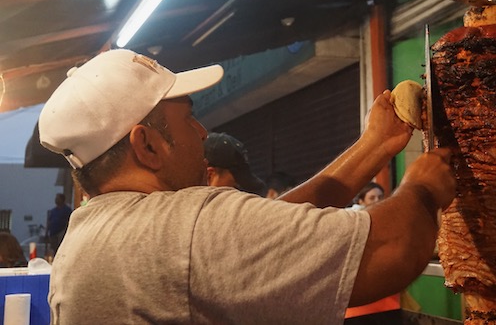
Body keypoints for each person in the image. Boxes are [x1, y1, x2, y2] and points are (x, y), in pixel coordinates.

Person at [38, 48, 455, 324]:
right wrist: (422, 186)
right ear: (146, 145)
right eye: (188, 119)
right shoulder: (183, 227)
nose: (202, 133)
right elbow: (391, 250)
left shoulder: (84, 236)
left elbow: (269, 236)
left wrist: (374, 146)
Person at [345, 181, 400, 324]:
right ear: (360, 200)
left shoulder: (386, 219)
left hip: (384, 300)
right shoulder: (351, 221)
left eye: (380, 197)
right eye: (372, 198)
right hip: (358, 303)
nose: (377, 201)